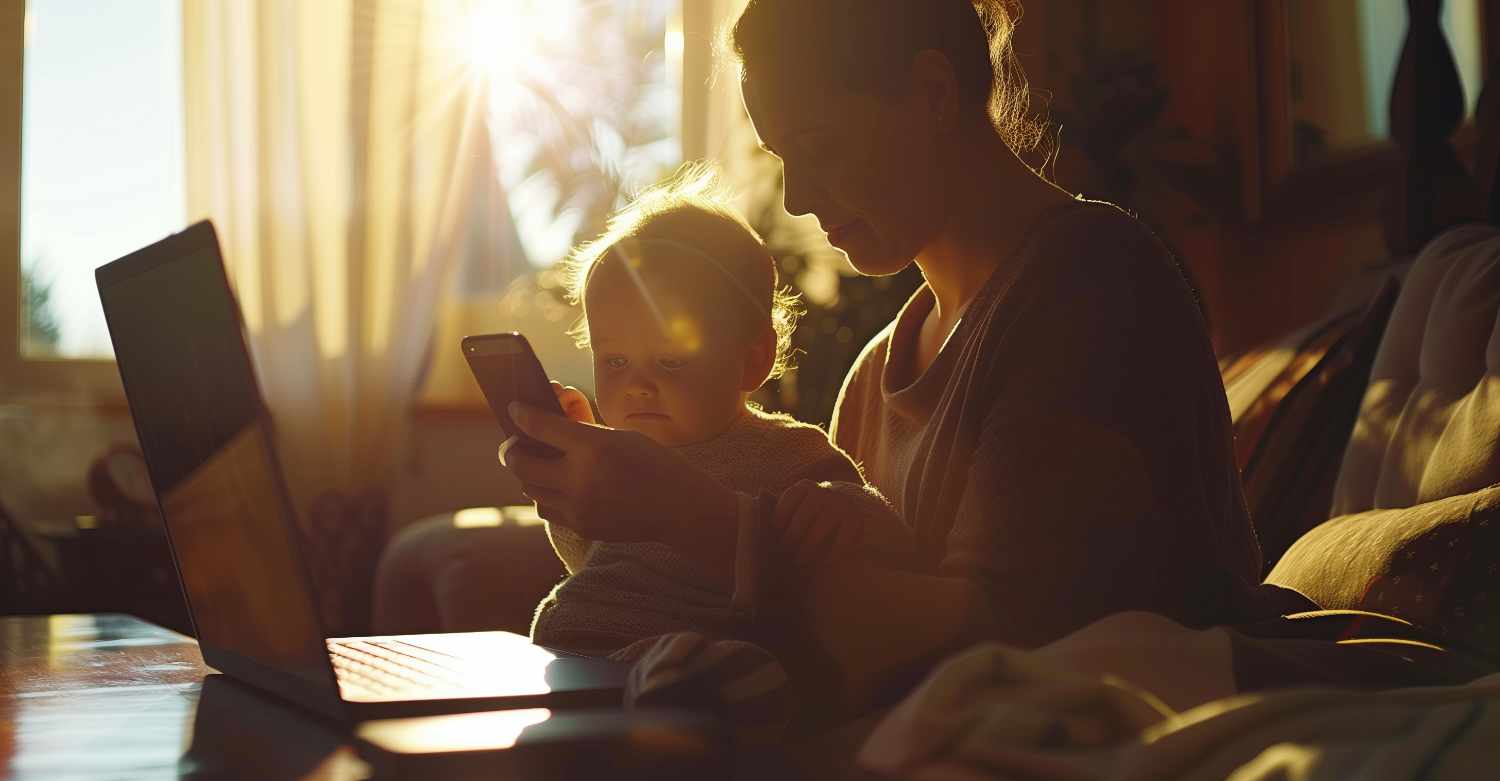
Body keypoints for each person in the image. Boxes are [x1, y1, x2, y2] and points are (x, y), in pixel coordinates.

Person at [500, 0, 1392, 714]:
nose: (802, 197)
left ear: (932, 95)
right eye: (781, 159)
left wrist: (689, 517)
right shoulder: (876, 375)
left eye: (820, 148)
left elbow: (1002, 645)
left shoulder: (1089, 280)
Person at [525, 165, 910, 731]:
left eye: (671, 361)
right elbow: (593, 561)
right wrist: (567, 483)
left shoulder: (787, 452)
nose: (637, 385)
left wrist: (843, 507)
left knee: (735, 668)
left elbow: (876, 543)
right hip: (576, 654)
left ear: (752, 361)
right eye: (614, 362)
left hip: (688, 663)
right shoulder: (619, 456)